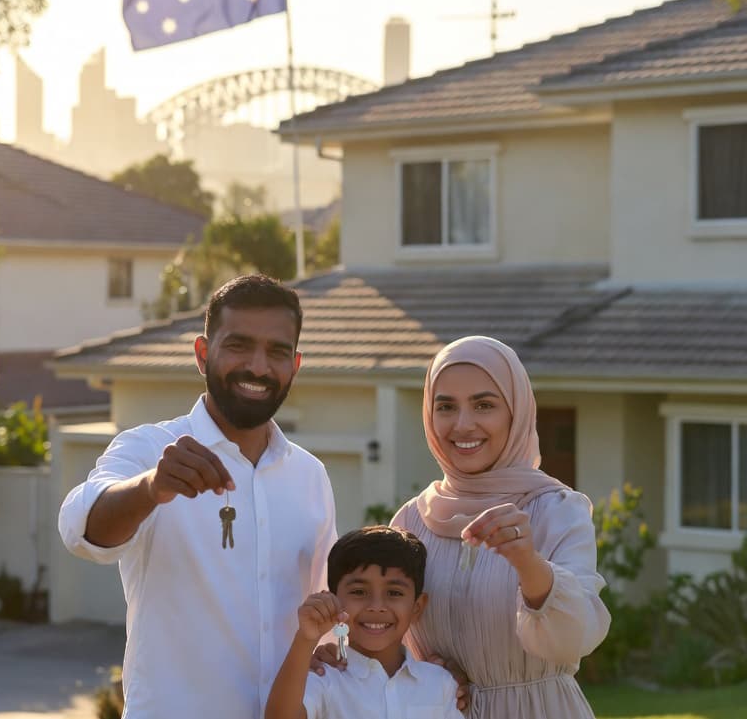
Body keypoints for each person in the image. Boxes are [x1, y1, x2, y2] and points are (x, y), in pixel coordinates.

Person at [58, 274, 338, 719]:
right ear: (202, 354)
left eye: (277, 352)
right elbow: (82, 528)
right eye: (239, 345)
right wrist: (153, 487)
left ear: (296, 366)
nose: (259, 367)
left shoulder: (310, 475)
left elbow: (326, 624)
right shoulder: (149, 450)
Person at [389, 335, 611, 718]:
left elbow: (574, 640)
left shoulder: (557, 511)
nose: (463, 424)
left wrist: (527, 562)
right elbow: (384, 630)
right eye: (446, 406)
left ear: (517, 412)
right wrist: (424, 671)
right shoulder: (411, 520)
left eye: (484, 405)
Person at [265, 525, 466, 719]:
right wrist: (306, 638)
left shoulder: (439, 683)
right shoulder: (324, 678)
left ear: (417, 607)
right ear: (333, 600)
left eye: (394, 593)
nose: (376, 606)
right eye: (359, 592)